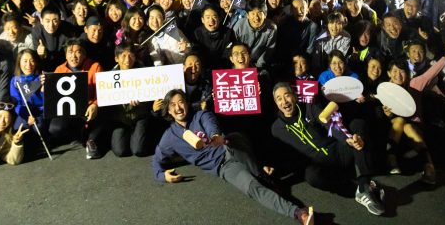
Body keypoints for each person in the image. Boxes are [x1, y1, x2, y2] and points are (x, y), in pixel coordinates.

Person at [151, 89, 314, 225]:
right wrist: (163, 176)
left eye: (181, 102)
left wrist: (216, 137)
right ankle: (298, 213)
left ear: (187, 104)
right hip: (223, 167)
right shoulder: (169, 137)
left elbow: (211, 125)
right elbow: (156, 161)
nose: (178, 108)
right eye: (173, 105)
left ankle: (262, 175)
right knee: (253, 188)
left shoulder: (200, 115)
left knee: (235, 139)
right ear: (168, 111)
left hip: (229, 147)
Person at [271, 83, 385, 216]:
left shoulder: (310, 107)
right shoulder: (276, 129)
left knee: (358, 124)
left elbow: (328, 123)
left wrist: (346, 139)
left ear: (295, 97)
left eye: (287, 95)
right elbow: (281, 155)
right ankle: (358, 190)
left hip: (339, 151)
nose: (284, 101)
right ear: (276, 103)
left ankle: (364, 184)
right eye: (279, 98)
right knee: (311, 176)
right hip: (323, 166)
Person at [47, 39, 104, 159]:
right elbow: (55, 98)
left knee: (101, 115)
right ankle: (77, 135)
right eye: (70, 52)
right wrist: (46, 87)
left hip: (89, 108)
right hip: (69, 110)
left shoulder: (95, 67)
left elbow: (102, 91)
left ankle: (91, 141)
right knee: (55, 128)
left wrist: (95, 104)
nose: (73, 56)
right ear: (65, 55)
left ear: (84, 54)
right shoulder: (60, 69)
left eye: (78, 52)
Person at [104, 44, 157, 157]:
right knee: (120, 151)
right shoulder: (109, 78)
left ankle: (144, 135)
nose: (127, 60)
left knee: (138, 150)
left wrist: (141, 101)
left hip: (140, 116)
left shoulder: (145, 73)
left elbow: (152, 96)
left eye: (131, 55)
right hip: (121, 118)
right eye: (123, 56)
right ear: (116, 58)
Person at [9, 49, 45, 130]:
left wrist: (43, 90)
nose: (28, 65)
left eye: (32, 61)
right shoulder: (15, 81)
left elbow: (45, 102)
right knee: (17, 128)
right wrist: (26, 116)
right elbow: (16, 103)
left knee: (38, 127)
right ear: (19, 62)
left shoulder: (41, 78)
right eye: (25, 61)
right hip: (24, 111)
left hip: (39, 111)